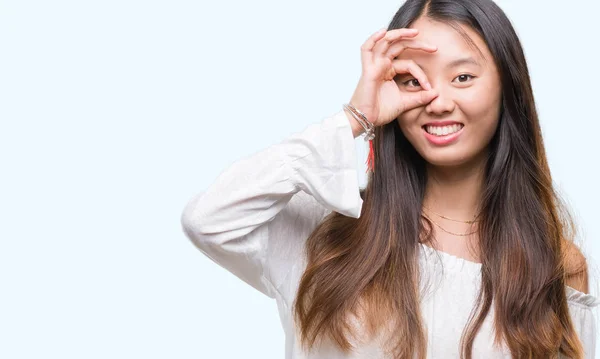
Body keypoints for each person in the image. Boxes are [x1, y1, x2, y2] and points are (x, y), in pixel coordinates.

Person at [180, 0, 598, 357]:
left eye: (463, 77)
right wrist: (355, 118)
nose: (437, 101)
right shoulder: (326, 229)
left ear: (508, 88)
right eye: (412, 80)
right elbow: (209, 219)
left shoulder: (553, 264)